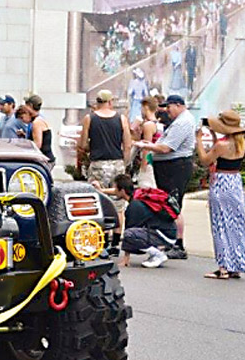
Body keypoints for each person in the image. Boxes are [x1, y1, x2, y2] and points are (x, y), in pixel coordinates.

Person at [135, 94, 195, 259]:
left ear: (178, 105)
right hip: (169, 166)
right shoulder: (179, 121)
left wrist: (147, 146)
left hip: (175, 167)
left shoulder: (182, 122)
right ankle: (170, 241)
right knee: (168, 203)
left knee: (173, 205)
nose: (167, 111)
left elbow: (167, 148)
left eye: (169, 107)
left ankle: (178, 244)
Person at [195, 111, 245, 278]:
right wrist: (212, 134)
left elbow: (205, 160)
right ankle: (237, 262)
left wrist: (198, 141)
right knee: (236, 224)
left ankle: (223, 266)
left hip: (221, 181)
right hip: (235, 181)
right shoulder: (243, 144)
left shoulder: (222, 145)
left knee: (220, 225)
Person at [80, 90, 131, 251]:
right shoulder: (121, 119)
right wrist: (125, 162)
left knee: (97, 201)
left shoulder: (90, 118)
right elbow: (127, 144)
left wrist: (90, 147)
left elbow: (82, 144)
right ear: (110, 102)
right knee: (118, 203)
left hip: (98, 163)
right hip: (116, 162)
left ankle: (102, 240)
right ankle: (116, 242)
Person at [104, 174, 177, 268]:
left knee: (130, 234)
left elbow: (129, 232)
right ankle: (156, 252)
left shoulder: (134, 206)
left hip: (165, 235)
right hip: (168, 232)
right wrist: (101, 190)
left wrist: (125, 259)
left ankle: (158, 255)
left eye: (115, 189)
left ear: (122, 191)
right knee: (134, 233)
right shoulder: (138, 195)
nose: (114, 192)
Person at [133, 98, 160, 189]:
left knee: (146, 186)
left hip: (148, 161)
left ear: (146, 107)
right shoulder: (158, 124)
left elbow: (147, 146)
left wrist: (144, 165)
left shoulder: (148, 125)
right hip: (155, 160)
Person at [24, 94, 56, 164]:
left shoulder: (37, 123)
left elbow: (37, 145)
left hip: (44, 159)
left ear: (31, 106)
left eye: (26, 105)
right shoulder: (40, 119)